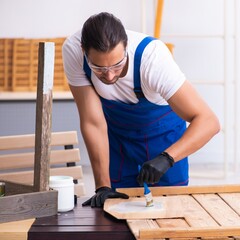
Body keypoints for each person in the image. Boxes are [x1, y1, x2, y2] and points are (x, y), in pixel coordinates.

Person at [62, 12, 220, 207]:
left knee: (170, 209)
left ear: (126, 46)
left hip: (164, 136)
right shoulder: (72, 51)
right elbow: (92, 122)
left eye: (117, 65)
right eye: (99, 68)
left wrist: (167, 158)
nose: (110, 76)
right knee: (117, 210)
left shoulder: (153, 59)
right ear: (83, 51)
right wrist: (102, 186)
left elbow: (209, 121)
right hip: (119, 138)